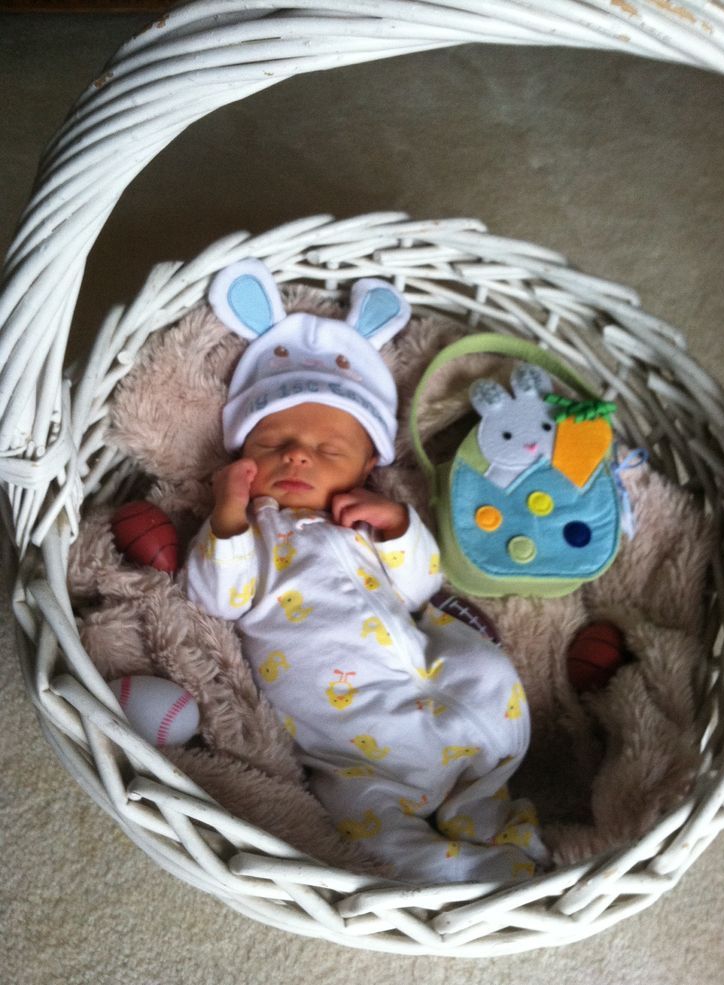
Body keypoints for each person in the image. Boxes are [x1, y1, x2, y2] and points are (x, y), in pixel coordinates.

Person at [183, 259, 549, 884]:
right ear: (242, 454)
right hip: (348, 751)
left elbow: (420, 587)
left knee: (486, 672)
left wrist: (399, 526)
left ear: (361, 468)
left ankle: (499, 830)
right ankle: (468, 880)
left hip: (440, 697)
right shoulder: (249, 530)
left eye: (327, 451)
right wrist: (227, 514)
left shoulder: (361, 521)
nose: (297, 454)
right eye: (272, 445)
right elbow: (220, 597)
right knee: (366, 828)